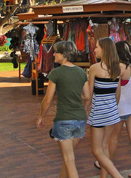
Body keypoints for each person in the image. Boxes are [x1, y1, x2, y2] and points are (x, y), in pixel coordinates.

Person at [36, 41, 90, 178]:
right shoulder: (81, 72)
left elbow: (47, 99)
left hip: (64, 120)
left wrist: (41, 116)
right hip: (79, 120)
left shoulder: (56, 73)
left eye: (56, 52)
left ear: (64, 54)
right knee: (68, 159)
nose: (53, 54)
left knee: (69, 160)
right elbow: (87, 95)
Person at [95, 41, 131, 178]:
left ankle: (106, 162)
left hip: (121, 106)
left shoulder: (119, 67)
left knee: (113, 137)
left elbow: (112, 84)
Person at [87, 37, 123, 178]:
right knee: (104, 147)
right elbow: (117, 94)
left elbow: (89, 95)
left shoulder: (94, 68)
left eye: (97, 47)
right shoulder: (116, 69)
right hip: (112, 111)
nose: (94, 49)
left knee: (96, 150)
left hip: (98, 112)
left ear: (104, 50)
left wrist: (84, 110)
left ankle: (116, 175)